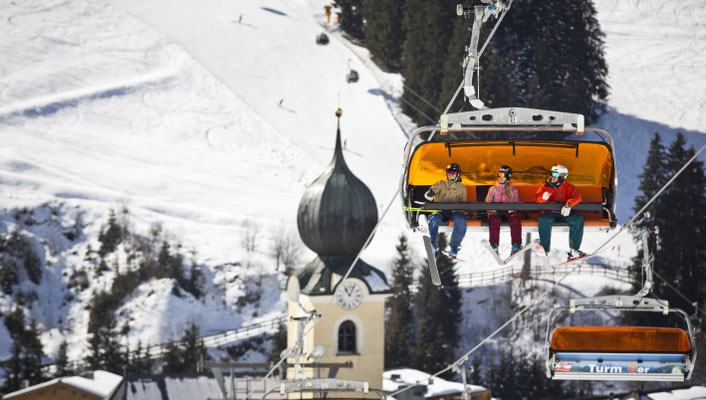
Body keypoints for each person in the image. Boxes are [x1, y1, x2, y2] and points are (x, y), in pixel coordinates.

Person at [535, 165, 585, 259]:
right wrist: (542, 198)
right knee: (543, 219)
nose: (552, 176)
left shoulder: (569, 187)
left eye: (554, 174)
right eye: (551, 173)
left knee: (577, 219)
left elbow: (578, 197)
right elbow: (537, 199)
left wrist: (568, 205)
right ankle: (544, 248)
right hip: (549, 212)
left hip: (564, 212)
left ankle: (574, 249)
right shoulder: (545, 186)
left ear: (562, 176)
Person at [424, 163, 468, 257]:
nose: (450, 174)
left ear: (457, 174)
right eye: (448, 172)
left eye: (453, 172)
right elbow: (428, 195)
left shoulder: (461, 188)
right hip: (440, 211)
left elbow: (463, 205)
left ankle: (454, 247)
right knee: (433, 219)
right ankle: (432, 245)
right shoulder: (441, 184)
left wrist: (460, 212)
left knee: (461, 219)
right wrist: (430, 194)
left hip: (454, 212)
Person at [485, 165, 522, 255]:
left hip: (509, 213)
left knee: (515, 221)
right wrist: (496, 210)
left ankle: (516, 245)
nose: (499, 177)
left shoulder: (513, 190)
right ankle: (494, 245)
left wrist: (507, 210)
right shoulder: (493, 189)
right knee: (494, 221)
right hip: (496, 213)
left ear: (507, 177)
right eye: (498, 175)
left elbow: (516, 204)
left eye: (502, 175)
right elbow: (487, 203)